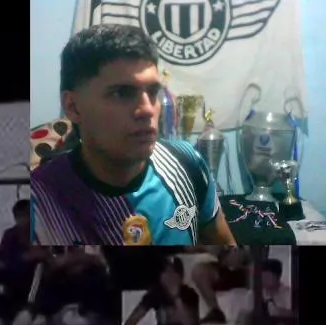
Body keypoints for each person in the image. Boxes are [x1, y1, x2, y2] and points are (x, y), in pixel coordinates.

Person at [30, 25, 237, 247]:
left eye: (153, 92)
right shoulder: (38, 203)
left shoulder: (187, 162)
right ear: (73, 107)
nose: (147, 110)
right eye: (122, 93)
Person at [0, 199, 44, 325]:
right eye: (20, 217)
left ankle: (29, 310)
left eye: (27, 216)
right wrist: (22, 258)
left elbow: (44, 255)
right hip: (15, 273)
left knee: (40, 267)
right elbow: (1, 257)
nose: (24, 220)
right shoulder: (10, 234)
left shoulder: (39, 234)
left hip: (32, 278)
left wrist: (33, 255)